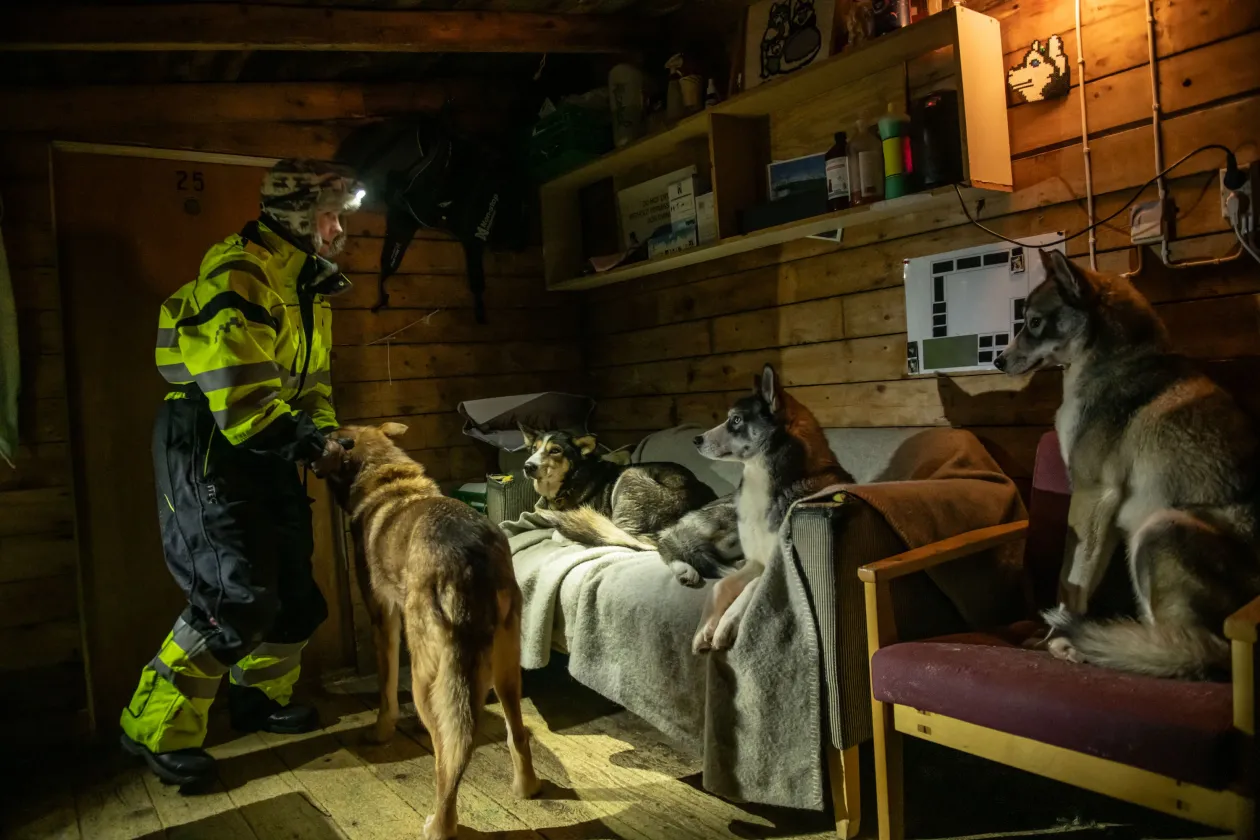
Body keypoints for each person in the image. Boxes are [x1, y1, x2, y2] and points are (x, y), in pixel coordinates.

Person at [119, 159, 365, 787]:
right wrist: (309, 443)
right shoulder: (240, 272)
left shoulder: (309, 284)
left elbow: (310, 385)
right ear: (299, 216)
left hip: (270, 440)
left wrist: (326, 435)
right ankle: (151, 725)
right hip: (210, 438)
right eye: (331, 215)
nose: (340, 229)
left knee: (295, 599)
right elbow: (240, 397)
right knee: (234, 598)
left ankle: (259, 699)